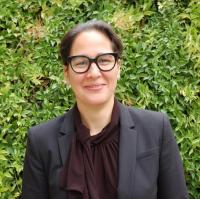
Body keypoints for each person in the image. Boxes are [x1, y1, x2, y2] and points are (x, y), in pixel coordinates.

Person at [22, 20, 188, 199]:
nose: (93, 73)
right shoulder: (41, 140)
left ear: (118, 68)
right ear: (66, 74)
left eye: (104, 60)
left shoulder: (156, 129)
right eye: (80, 63)